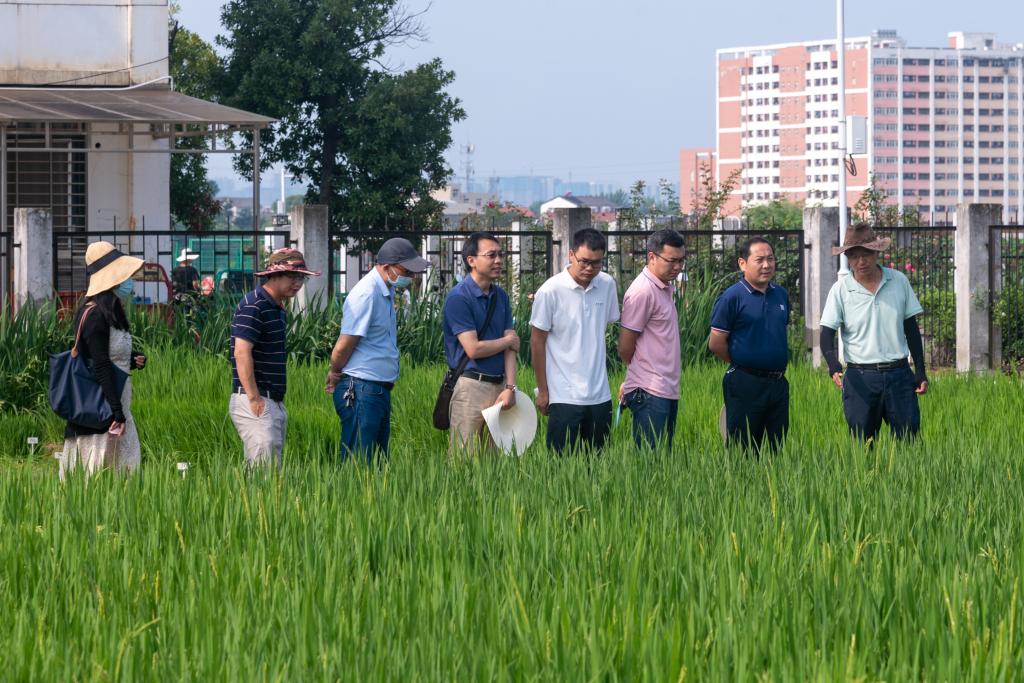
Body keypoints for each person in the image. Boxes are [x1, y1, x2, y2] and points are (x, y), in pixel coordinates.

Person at [325, 238, 429, 464]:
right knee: (358, 463)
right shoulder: (366, 294)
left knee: (377, 465)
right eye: (406, 271)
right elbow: (343, 345)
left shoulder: (385, 290)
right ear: (386, 266)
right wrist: (334, 372)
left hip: (376, 388)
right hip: (361, 388)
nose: (411, 277)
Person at [820, 224, 928, 442]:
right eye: (854, 256)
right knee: (862, 445)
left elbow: (911, 330)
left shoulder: (898, 281)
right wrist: (833, 364)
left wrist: (920, 371)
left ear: (876, 252)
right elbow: (826, 334)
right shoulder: (840, 290)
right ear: (847, 258)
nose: (861, 261)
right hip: (860, 378)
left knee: (909, 442)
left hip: (899, 375)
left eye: (867, 254)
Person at [61, 241, 147, 476]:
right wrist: (116, 411)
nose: (128, 282)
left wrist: (131, 360)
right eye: (123, 276)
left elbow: (108, 355)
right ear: (113, 280)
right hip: (102, 406)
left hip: (117, 401)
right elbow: (99, 364)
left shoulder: (112, 312)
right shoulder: (94, 315)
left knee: (121, 469)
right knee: (100, 469)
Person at [530, 228, 620, 454]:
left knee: (599, 463)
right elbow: (537, 342)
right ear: (571, 254)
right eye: (584, 262)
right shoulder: (550, 291)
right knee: (561, 466)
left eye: (597, 263)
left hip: (600, 395)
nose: (590, 269)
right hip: (563, 395)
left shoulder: (607, 284)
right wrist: (543, 391)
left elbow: (605, 324)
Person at [229, 247, 320, 467]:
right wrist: (254, 398)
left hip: (273, 400)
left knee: (269, 472)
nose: (297, 283)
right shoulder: (254, 305)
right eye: (292, 276)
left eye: (301, 278)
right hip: (256, 399)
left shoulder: (277, 307)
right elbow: (241, 352)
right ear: (275, 274)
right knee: (265, 473)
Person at [709, 237, 791, 454]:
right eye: (759, 260)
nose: (766, 265)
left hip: (778, 383)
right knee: (742, 449)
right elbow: (715, 343)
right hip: (745, 382)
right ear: (742, 263)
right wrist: (743, 362)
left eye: (770, 259)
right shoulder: (732, 297)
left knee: (776, 449)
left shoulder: (781, 294)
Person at [442, 232, 519, 455]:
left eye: (500, 255)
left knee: (494, 460)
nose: (498, 260)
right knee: (463, 459)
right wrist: (507, 340)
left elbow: (512, 348)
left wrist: (510, 387)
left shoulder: (501, 296)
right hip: (470, 387)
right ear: (471, 260)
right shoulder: (459, 297)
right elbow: (473, 349)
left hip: (500, 387)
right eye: (491, 255)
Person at [618, 229, 684, 450]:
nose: (678, 267)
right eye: (672, 261)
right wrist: (636, 377)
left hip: (665, 387)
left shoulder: (663, 288)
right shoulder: (642, 291)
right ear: (652, 257)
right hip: (649, 390)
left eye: (681, 261)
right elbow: (625, 347)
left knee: (662, 459)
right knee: (650, 460)